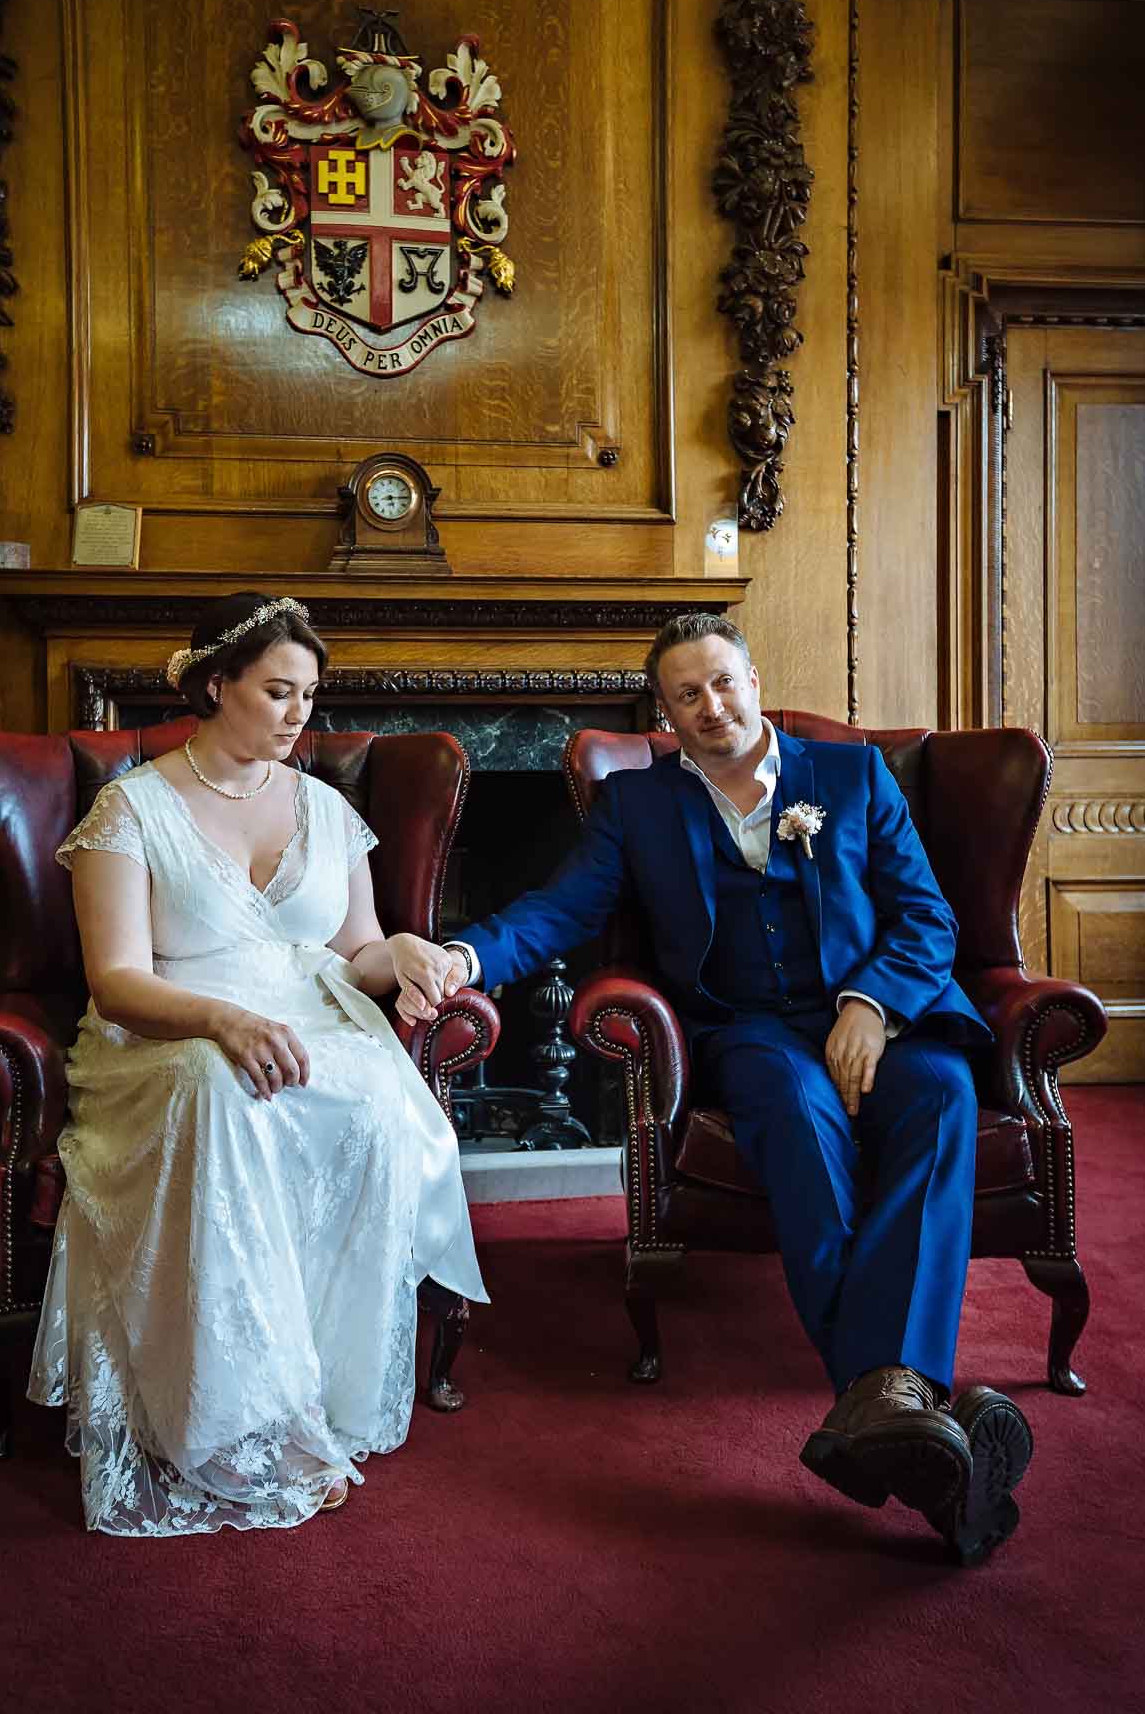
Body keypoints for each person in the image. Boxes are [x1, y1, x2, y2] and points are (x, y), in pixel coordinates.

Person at [401, 612, 1033, 1564]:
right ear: (663, 709)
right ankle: (902, 1403)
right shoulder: (637, 806)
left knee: (943, 1100)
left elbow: (927, 917)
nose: (711, 706)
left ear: (752, 677)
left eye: (724, 682)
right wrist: (464, 953)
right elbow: (562, 909)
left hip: (886, 1015)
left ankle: (880, 1410)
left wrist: (872, 1003)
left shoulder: (853, 778)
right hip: (751, 1031)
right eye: (686, 694)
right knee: (790, 1108)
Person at [29, 591, 487, 1537]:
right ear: (215, 685)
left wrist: (401, 950)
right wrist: (221, 1021)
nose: (298, 716)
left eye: (308, 696)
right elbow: (114, 980)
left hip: (308, 1020)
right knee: (220, 1087)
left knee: (372, 1105)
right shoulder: (132, 809)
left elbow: (355, 951)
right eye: (277, 691)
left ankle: (314, 1386)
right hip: (166, 1034)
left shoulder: (327, 809)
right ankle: (227, 1423)